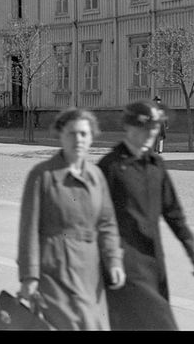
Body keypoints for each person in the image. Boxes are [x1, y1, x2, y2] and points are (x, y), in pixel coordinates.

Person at [98, 101, 194, 331]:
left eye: (154, 128)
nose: (150, 134)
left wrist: (192, 248)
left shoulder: (156, 165)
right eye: (143, 128)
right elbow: (93, 220)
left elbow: (173, 212)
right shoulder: (109, 167)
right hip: (124, 266)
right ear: (128, 127)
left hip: (154, 262)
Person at [17, 108, 125, 331]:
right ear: (60, 135)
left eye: (84, 134)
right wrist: (29, 276)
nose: (78, 140)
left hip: (89, 272)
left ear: (92, 137)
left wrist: (114, 260)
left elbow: (107, 223)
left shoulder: (96, 177)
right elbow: (28, 229)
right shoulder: (42, 175)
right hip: (53, 271)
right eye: (72, 133)